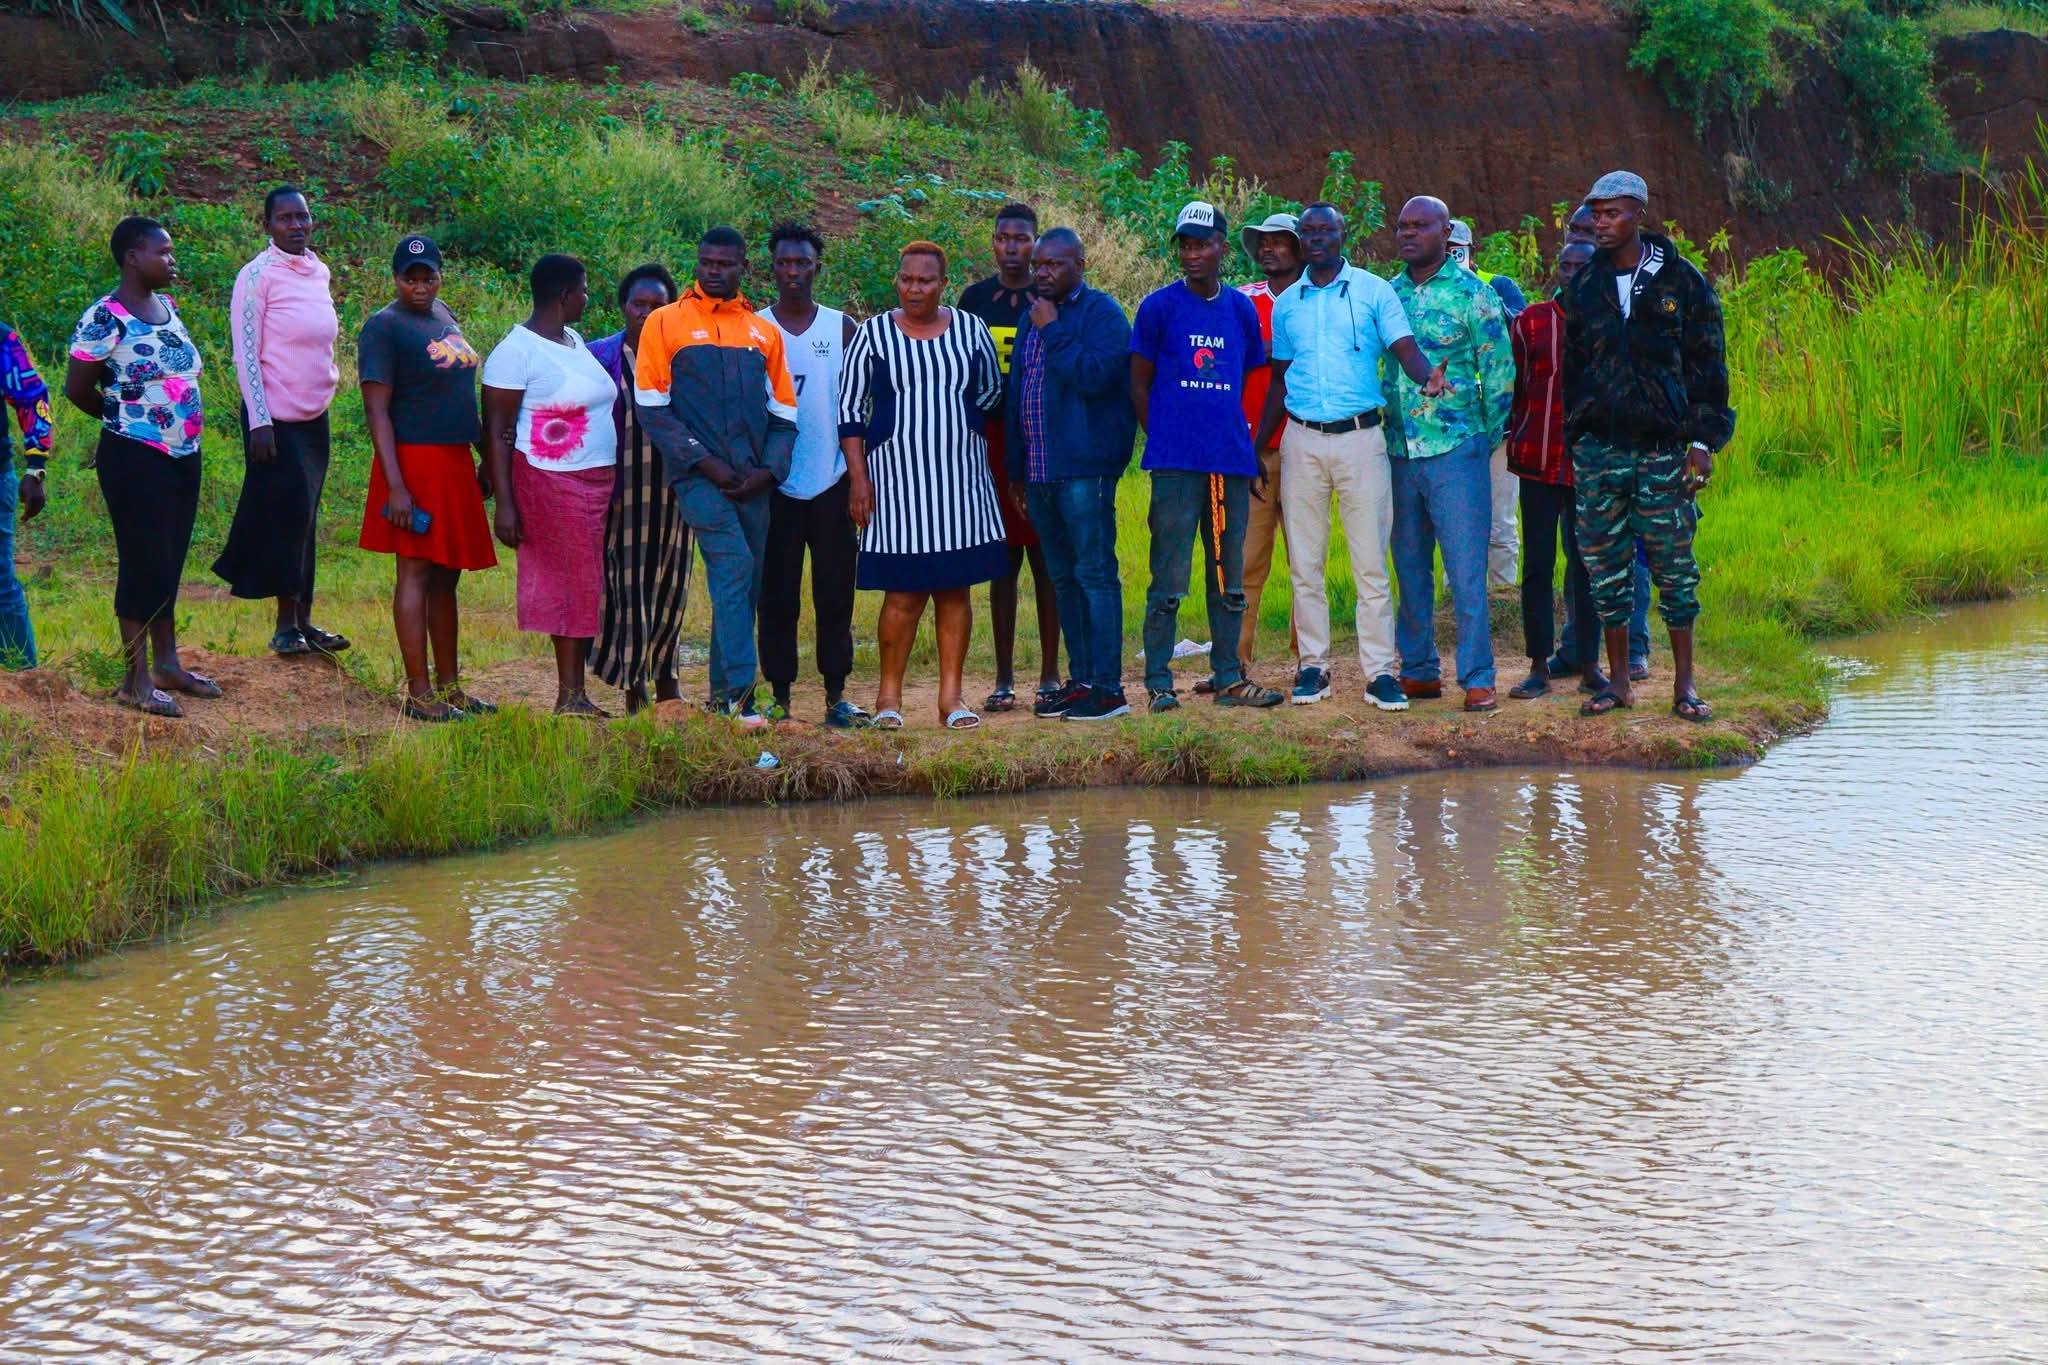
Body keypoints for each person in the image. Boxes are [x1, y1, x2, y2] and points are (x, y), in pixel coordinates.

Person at [1253, 202, 1446, 712]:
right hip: (1302, 440)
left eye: (1326, 230)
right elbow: (1279, 379)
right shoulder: (1288, 303)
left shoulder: (1374, 291)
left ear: (1344, 234)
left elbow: (1404, 348)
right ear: (1300, 240)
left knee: (1369, 565)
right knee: (1306, 563)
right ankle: (1313, 668)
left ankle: (1380, 673)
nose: (1317, 239)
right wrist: (1257, 445)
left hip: (1361, 440)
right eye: (1308, 232)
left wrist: (1427, 375)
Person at [1561, 170, 1734, 721]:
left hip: (1664, 451)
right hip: (1600, 453)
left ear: (1639, 213)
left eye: (1612, 213)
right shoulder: (1583, 285)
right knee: (1605, 569)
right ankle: (1619, 685)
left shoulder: (1681, 282)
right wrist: (1580, 436)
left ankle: (1684, 687)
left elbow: (1708, 366)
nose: (1600, 223)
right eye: (1595, 213)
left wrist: (1703, 441)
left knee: (1674, 569)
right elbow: (1575, 369)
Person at [635, 225, 797, 730]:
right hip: (699, 479)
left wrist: (768, 472)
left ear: (742, 268)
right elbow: (652, 409)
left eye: (724, 263)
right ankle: (742, 698)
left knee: (746, 585)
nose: (713, 270)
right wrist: (707, 464)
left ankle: (719, 698)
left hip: (754, 481)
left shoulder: (761, 332)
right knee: (733, 568)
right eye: (706, 262)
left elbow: (785, 414)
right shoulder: (665, 323)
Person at [839, 241, 1006, 730]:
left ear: (942, 284)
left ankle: (951, 699)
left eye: (926, 280)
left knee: (955, 591)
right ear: (898, 280)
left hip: (960, 484)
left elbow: (989, 394)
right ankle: (889, 699)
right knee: (903, 595)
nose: (916, 288)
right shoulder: (872, 336)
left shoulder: (971, 331)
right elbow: (850, 413)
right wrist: (858, 479)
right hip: (895, 486)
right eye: (907, 279)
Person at [1130, 202, 1286, 713]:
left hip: (1227, 464)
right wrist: (1167, 434)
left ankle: (1228, 678)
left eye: (1202, 244)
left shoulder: (1240, 309)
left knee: (1228, 575)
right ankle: (1158, 682)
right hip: (1176, 464)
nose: (1192, 254)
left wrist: (1233, 439)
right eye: (1185, 245)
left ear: (1221, 246)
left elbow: (1244, 380)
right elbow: (1139, 382)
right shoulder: (1158, 307)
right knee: (1169, 577)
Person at [64, 216, 216, 717]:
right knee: (142, 561)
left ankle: (168, 664)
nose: (172, 260)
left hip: (182, 454)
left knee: (169, 559)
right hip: (134, 456)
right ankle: (135, 680)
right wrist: (125, 421)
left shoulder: (166, 308)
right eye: (163, 252)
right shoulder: (105, 317)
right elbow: (78, 389)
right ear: (133, 257)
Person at [356, 234, 497, 723]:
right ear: (395, 279)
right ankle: (418, 692)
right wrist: (396, 484)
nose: (419, 285)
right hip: (413, 463)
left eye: (428, 276)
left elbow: (459, 395)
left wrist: (486, 457)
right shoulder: (383, 328)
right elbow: (377, 410)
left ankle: (450, 687)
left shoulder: (444, 316)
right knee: (415, 570)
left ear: (440, 277)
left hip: (454, 461)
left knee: (447, 576)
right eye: (409, 277)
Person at [1385, 196, 1515, 713]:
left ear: (1446, 233)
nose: (1409, 233)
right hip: (1398, 448)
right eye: (1402, 226)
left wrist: (1485, 437)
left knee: (1465, 569)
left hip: (1456, 450)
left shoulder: (1473, 295)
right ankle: (1418, 671)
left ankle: (1478, 676)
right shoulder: (1386, 295)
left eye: (1421, 226)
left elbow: (1501, 373)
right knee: (1410, 563)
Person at [1003, 227, 1137, 722]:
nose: (1042, 272)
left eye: (1054, 264)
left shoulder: (1102, 314)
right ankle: (1080, 681)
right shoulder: (1032, 315)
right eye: (1039, 264)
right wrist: (1015, 471)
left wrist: (1054, 330)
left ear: (1080, 264)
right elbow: (1020, 393)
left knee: (1095, 575)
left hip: (1085, 470)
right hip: (1039, 472)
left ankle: (1109, 689)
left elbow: (1098, 377)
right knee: (1062, 579)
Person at [211, 185, 346, 659]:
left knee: (307, 516)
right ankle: (285, 625)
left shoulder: (318, 270)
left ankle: (306, 619)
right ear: (266, 225)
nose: (296, 225)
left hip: (315, 414)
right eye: (285, 218)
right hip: (275, 417)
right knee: (287, 516)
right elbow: (245, 351)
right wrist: (259, 421)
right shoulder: (256, 276)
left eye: (302, 217)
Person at [483, 253, 619, 718]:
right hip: (551, 480)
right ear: (564, 295)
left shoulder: (572, 339)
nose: (587, 297)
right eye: (583, 290)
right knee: (572, 583)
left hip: (595, 478)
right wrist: (505, 504)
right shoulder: (515, 352)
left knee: (585, 583)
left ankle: (575, 692)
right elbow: (497, 433)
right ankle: (570, 694)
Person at [757, 221, 868, 729]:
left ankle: (835, 695)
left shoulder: (841, 327)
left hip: (832, 480)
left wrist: (860, 477)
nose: (793, 272)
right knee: (776, 594)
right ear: (772, 267)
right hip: (775, 484)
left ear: (817, 266)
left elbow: (860, 404)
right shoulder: (755, 328)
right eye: (784, 262)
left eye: (802, 262)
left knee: (834, 592)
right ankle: (779, 697)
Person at [959, 202, 1061, 713]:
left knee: (1046, 559)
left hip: (1041, 438)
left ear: (1036, 243)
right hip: (991, 442)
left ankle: (1049, 673)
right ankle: (1002, 677)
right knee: (1003, 561)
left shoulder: (1051, 295)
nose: (1013, 247)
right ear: (993, 242)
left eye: (1022, 239)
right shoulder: (974, 300)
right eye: (1004, 238)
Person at [1553, 201, 1653, 679]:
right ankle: (1577, 647)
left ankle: (1633, 649)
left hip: (1633, 445)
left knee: (1628, 550)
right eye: (1575, 231)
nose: (1583, 238)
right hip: (1575, 449)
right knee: (1578, 551)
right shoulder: (1562, 299)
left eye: (1590, 231)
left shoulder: (1633, 292)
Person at [1505, 240, 1607, 700]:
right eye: (1563, 264)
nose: (1570, 273)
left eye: (1580, 266)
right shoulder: (1530, 322)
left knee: (1587, 567)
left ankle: (1589, 665)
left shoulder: (1612, 322)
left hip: (1590, 465)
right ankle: (1537, 667)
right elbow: (1517, 385)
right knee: (1538, 567)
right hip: (1537, 460)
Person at [590, 263, 688, 714]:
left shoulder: (686, 360)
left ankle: (668, 679)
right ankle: (634, 685)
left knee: (671, 584)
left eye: (659, 305)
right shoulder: (598, 358)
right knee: (627, 587)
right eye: (639, 304)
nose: (648, 313)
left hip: (675, 493)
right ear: (623, 307)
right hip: (622, 493)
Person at [1233, 211, 1303, 677]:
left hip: (1303, 443)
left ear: (1299, 249)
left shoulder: (1315, 299)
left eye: (1279, 242)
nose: (1267, 249)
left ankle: (1309, 661)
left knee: (1306, 560)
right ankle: (1234, 662)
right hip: (1250, 447)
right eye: (1262, 242)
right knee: (1244, 561)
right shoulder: (1240, 302)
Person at [0, 319, 52, 670]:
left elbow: (31, 397)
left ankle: (27, 687)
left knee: (0, 584)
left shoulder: (2, 337)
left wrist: (35, 468)